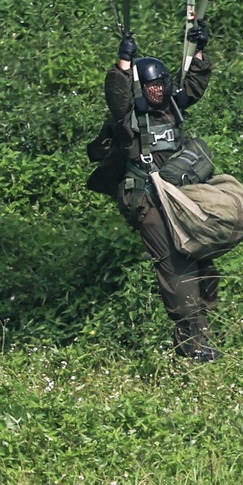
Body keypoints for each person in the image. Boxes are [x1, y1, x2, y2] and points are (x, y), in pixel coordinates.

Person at [86, 20, 219, 362]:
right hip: (147, 202)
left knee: (204, 263)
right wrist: (123, 65)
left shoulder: (172, 108)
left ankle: (201, 335)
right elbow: (117, 97)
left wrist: (199, 49)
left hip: (177, 197)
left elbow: (194, 84)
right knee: (178, 269)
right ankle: (192, 347)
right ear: (140, 89)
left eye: (161, 84)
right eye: (151, 87)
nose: (158, 91)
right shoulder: (129, 122)